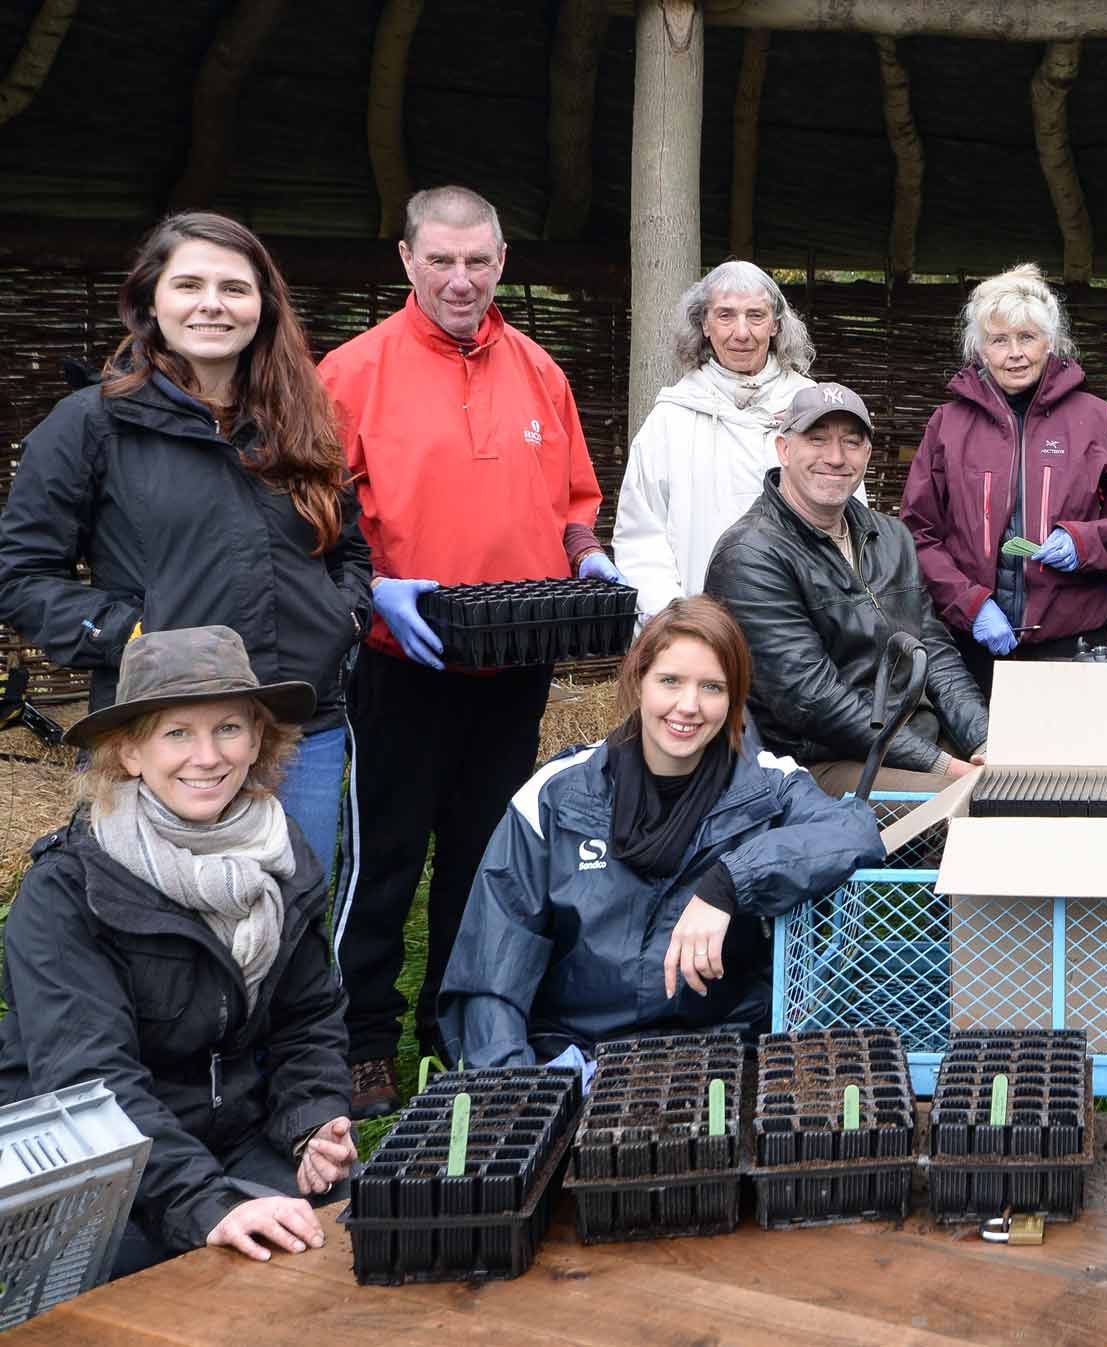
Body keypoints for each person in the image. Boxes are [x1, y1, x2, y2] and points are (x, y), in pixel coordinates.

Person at [318, 185, 616, 1118]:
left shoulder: (538, 371)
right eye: (441, 260)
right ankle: (358, 1038)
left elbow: (575, 497)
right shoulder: (352, 372)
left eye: (478, 260)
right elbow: (312, 515)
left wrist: (589, 555)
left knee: (485, 853)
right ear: (406, 260)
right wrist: (372, 590)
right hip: (399, 657)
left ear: (502, 263)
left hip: (514, 656)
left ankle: (455, 1029)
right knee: (386, 852)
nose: (461, 278)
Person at [0, 212, 371, 876]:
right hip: (160, 731)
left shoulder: (301, 421)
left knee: (286, 925)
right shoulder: (91, 423)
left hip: (298, 727)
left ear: (263, 305)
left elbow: (350, 548)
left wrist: (341, 618)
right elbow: (21, 574)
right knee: (155, 940)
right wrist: (138, 635)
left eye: (234, 287)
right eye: (189, 284)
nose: (212, 304)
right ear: (150, 300)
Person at [0, 627, 356, 1275]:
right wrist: (210, 1205)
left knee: (346, 1242)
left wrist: (313, 1120)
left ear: (258, 740)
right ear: (130, 753)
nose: (207, 755)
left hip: (231, 1141)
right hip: (95, 1169)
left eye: (227, 728)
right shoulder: (68, 890)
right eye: (176, 733)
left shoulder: (281, 856)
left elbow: (309, 1018)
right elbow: (94, 1086)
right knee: (203, 1289)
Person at [438, 598, 884, 1065]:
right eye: (670, 681)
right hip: (577, 1049)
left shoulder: (765, 784)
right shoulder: (556, 796)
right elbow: (492, 972)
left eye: (712, 687)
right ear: (638, 680)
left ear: (735, 698)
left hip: (718, 1049)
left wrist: (730, 882)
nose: (688, 707)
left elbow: (854, 830)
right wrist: (519, 1090)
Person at [705, 383, 989, 797]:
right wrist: (943, 767)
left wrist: (982, 739)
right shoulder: (751, 555)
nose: (835, 458)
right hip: (819, 762)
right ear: (784, 449)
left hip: (913, 739)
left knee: (1015, 785)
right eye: (817, 440)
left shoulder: (891, 537)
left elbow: (936, 651)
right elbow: (813, 700)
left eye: (851, 443)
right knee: (969, 805)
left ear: (867, 456)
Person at [900, 262, 1107, 694]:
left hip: (1072, 645)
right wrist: (970, 604)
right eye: (999, 341)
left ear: (1051, 342)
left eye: (1027, 338)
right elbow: (917, 533)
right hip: (970, 645)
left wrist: (1083, 543)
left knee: (1067, 762)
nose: (1014, 353)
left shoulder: (1096, 419)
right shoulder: (946, 424)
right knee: (981, 759)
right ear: (980, 350)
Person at [612, 260, 829, 624]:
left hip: (801, 631)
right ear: (704, 324)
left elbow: (846, 520)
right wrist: (673, 620)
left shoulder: (811, 409)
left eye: (756, 316)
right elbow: (641, 535)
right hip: (700, 632)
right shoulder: (670, 421)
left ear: (776, 324)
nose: (741, 332)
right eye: (726, 315)